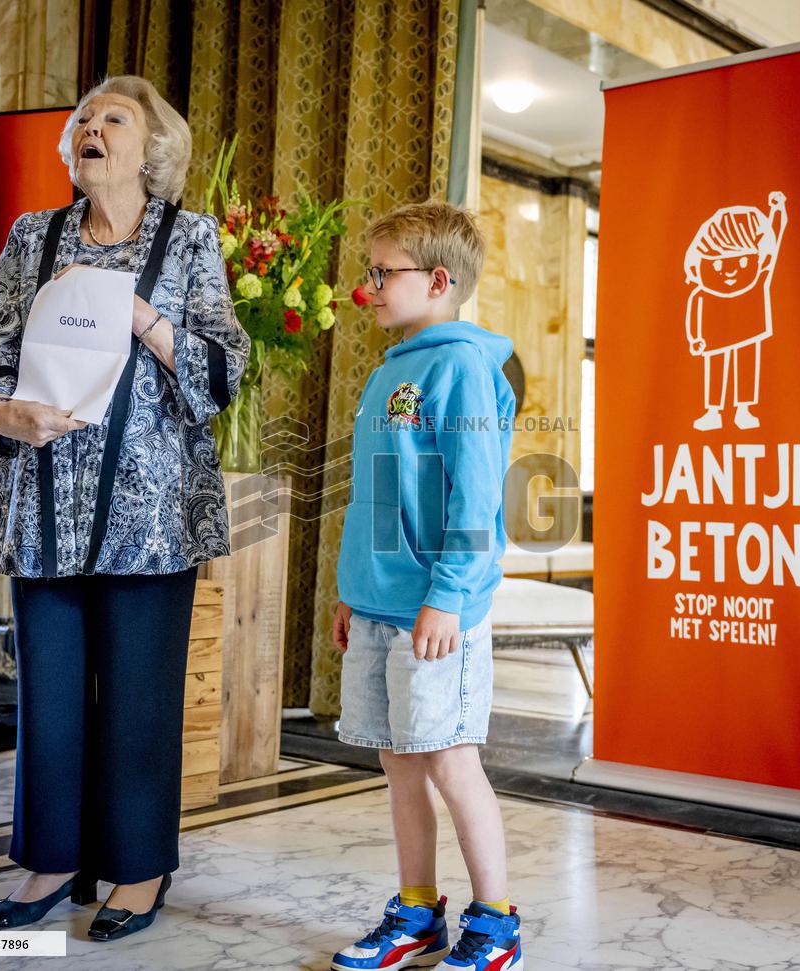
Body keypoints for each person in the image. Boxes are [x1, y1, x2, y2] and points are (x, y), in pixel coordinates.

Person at [0, 74, 250, 942]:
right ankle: (50, 860)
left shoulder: (190, 240)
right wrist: (5, 411)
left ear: (151, 145)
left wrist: (146, 320)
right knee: (48, 694)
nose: (90, 128)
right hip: (43, 504)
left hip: (153, 514)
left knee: (139, 696)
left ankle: (137, 868)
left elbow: (223, 367)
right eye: (82, 119)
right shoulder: (30, 237)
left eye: (111, 118)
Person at [330, 201, 523, 971]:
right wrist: (353, 587)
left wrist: (447, 594)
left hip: (436, 610)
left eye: (383, 273)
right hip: (380, 603)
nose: (368, 286)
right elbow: (377, 491)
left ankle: (497, 918)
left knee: (450, 758)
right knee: (399, 758)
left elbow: (477, 500)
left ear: (438, 280)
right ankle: (417, 910)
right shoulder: (391, 369)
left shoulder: (464, 366)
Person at [684, 191, 788, 431]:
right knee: (716, 369)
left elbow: (774, 239)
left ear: (758, 260)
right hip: (714, 339)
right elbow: (693, 313)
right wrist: (695, 338)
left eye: (742, 262)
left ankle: (744, 410)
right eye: (718, 264)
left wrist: (778, 211)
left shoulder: (759, 280)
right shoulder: (703, 292)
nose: (730, 272)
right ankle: (713, 412)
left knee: (747, 368)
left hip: (748, 335)